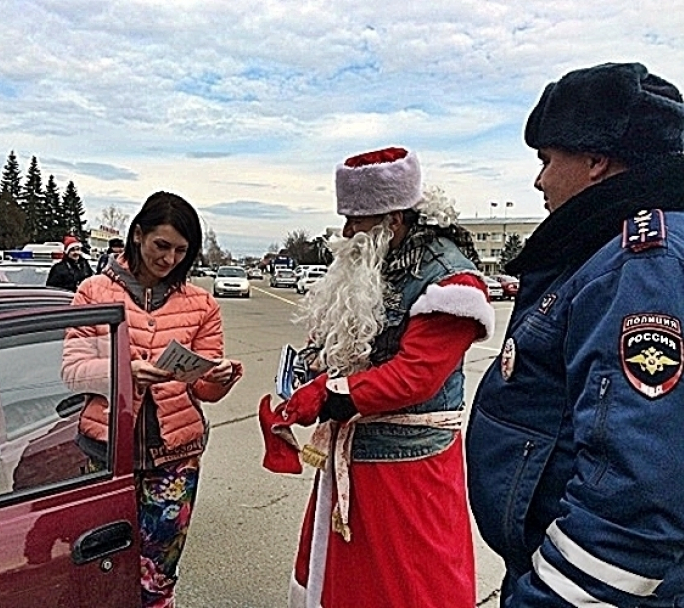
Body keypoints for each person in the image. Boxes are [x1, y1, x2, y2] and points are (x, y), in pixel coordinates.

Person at [466, 62, 684, 607]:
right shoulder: (610, 252)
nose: (538, 180)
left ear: (593, 161)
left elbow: (634, 495)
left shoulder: (638, 265)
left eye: (546, 160)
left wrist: (548, 598)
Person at [259, 147, 495, 608]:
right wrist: (310, 377)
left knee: (410, 586)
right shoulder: (381, 262)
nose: (346, 232)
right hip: (360, 458)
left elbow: (415, 377)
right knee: (348, 584)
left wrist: (329, 395)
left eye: (355, 220)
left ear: (394, 218)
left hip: (408, 472)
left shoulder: (449, 282)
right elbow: (359, 346)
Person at [61, 191, 243, 607]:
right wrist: (126, 374)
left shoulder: (201, 304)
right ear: (138, 235)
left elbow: (204, 392)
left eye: (182, 250)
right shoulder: (93, 292)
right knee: (100, 569)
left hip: (174, 459)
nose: (170, 259)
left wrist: (220, 377)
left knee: (157, 575)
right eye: (162, 245)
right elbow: (72, 372)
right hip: (105, 454)